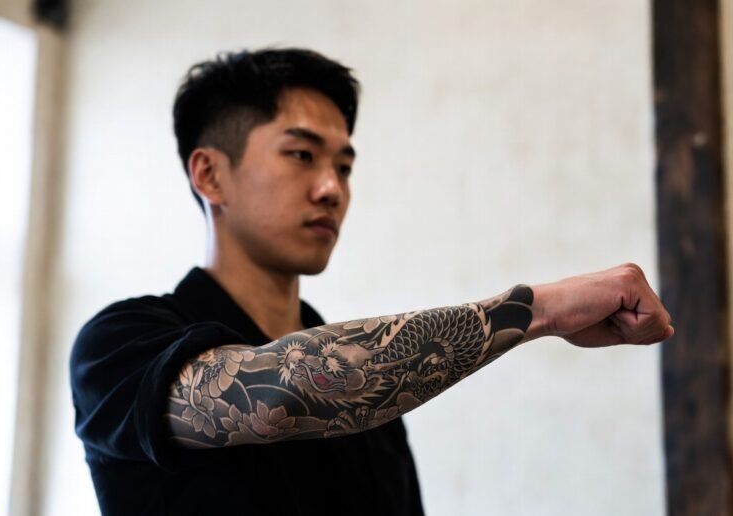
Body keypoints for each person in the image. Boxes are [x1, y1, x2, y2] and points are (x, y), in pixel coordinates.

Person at [70, 48, 673, 515]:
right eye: (302, 155)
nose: (332, 188)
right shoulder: (119, 345)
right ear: (210, 174)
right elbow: (279, 397)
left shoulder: (378, 401)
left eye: (344, 166)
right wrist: (538, 310)